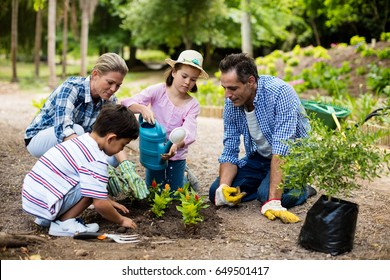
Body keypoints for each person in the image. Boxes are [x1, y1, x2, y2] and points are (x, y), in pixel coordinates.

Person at [208, 53, 316, 223]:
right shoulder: (231, 102)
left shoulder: (280, 93)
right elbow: (230, 149)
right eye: (224, 88)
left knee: (269, 196)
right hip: (261, 156)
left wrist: (273, 200)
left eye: (233, 88)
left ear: (251, 81)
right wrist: (223, 188)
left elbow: (282, 149)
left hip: (293, 157)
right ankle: (265, 183)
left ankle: (302, 189)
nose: (227, 95)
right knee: (215, 191)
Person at [22, 104, 140, 237]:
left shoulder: (81, 140)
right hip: (45, 203)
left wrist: (107, 200)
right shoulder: (96, 159)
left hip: (33, 198)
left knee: (91, 184)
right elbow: (100, 204)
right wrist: (121, 219)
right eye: (122, 145)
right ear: (111, 138)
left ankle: (47, 219)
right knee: (91, 188)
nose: (120, 150)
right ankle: (64, 224)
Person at [121, 50, 208, 192]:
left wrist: (175, 145)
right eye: (184, 76)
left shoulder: (192, 105)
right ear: (174, 72)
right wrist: (143, 109)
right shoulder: (157, 91)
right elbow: (126, 103)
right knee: (154, 190)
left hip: (177, 154)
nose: (187, 82)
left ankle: (184, 177)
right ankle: (181, 177)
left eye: (193, 79)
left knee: (174, 193)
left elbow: (189, 131)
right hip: (155, 152)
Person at [24, 52, 129, 166]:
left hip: (76, 141)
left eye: (118, 85)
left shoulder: (110, 100)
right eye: (110, 82)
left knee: (113, 157)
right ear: (95, 74)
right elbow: (64, 130)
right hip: (40, 138)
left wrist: (125, 164)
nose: (113, 89)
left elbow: (112, 136)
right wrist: (93, 159)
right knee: (77, 130)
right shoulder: (71, 87)